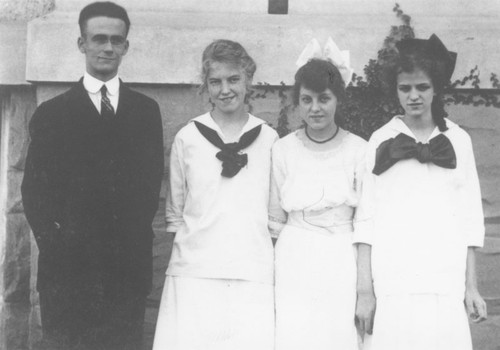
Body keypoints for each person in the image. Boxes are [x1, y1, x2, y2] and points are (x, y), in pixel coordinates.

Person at [21, 2, 164, 349]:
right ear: (81, 44)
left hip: (124, 273)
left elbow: (148, 191)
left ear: (126, 46)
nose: (108, 47)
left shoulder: (145, 112)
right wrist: (60, 247)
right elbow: (35, 195)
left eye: (117, 40)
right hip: (68, 274)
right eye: (98, 38)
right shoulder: (52, 114)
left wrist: (127, 248)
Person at [363, 34, 487, 350]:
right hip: (395, 281)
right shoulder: (381, 140)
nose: (414, 96)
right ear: (395, 90)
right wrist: (366, 290)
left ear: (436, 88)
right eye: (405, 88)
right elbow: (366, 218)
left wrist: (470, 287)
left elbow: (470, 220)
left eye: (422, 87)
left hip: (444, 280)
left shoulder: (458, 140)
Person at [152, 39, 277, 350]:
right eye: (215, 81)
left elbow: (274, 211)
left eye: (233, 79)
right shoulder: (188, 137)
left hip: (251, 270)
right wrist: (192, 257)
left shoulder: (270, 139)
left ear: (248, 79)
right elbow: (176, 210)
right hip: (196, 271)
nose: (225, 90)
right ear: (205, 86)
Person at [269, 38, 375, 350]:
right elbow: (275, 219)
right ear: (297, 102)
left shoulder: (359, 149)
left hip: (341, 256)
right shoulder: (283, 149)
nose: (315, 108)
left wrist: (365, 288)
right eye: (307, 99)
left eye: (324, 98)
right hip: (294, 256)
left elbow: (366, 221)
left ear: (338, 100)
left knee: (336, 336)